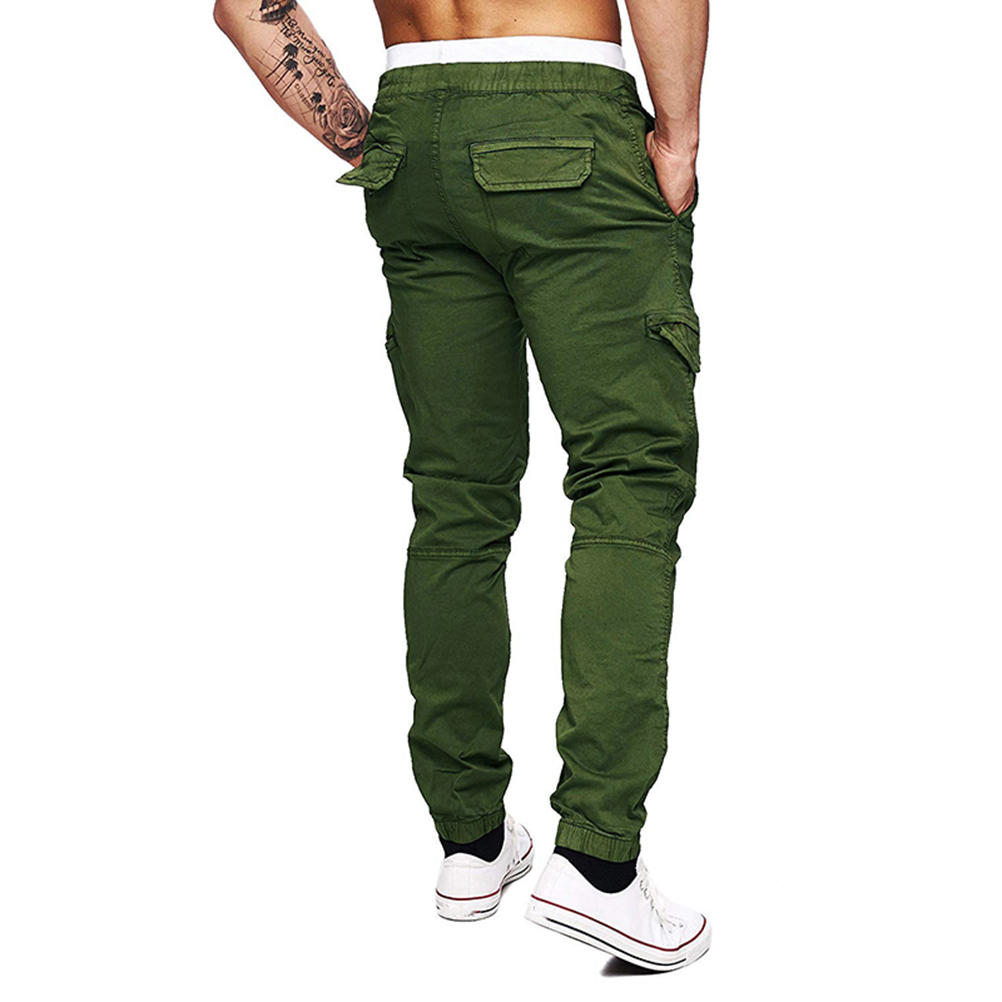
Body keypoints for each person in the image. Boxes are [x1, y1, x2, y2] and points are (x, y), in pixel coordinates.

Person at [214, 0, 711, 972]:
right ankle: (598, 863)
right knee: (628, 476)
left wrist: (370, 142)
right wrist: (679, 137)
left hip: (415, 126)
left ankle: (471, 842)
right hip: (565, 113)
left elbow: (246, 5)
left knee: (456, 497)